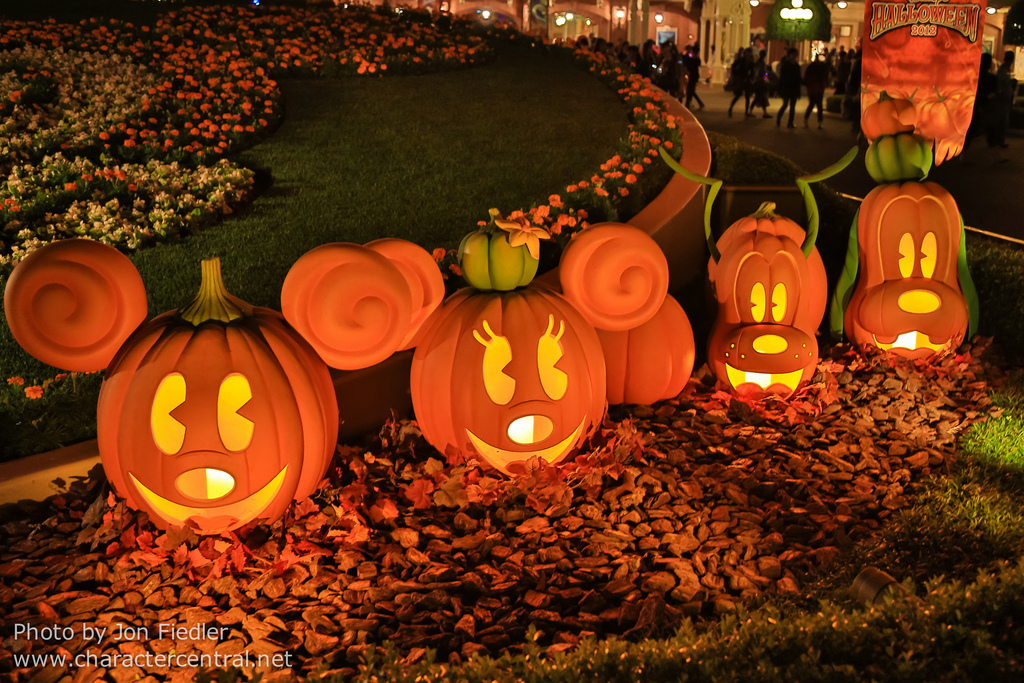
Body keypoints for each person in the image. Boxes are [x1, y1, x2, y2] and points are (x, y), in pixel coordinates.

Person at [993, 50, 1017, 148]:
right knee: (1002, 121)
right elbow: (1001, 85)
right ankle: (998, 141)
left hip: (1004, 99)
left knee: (1003, 121)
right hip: (1002, 99)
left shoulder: (1005, 69)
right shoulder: (1004, 69)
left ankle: (999, 140)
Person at [776, 48, 801, 128]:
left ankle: (790, 123)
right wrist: (779, 89)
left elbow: (798, 79)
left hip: (793, 89)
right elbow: (782, 78)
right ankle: (778, 119)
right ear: (789, 55)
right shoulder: (785, 65)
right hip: (786, 88)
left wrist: (798, 91)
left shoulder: (797, 66)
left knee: (792, 106)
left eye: (795, 55)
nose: (794, 56)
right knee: (785, 104)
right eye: (792, 54)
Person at [803, 52, 828, 128]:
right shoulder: (821, 66)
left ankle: (807, 120)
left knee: (813, 104)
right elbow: (824, 76)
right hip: (817, 87)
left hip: (813, 87)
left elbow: (806, 77)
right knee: (818, 104)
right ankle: (819, 122)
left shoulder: (811, 66)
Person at [728, 48, 754, 118]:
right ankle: (730, 108)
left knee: (747, 97)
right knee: (738, 95)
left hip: (747, 81)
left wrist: (750, 78)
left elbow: (752, 71)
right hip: (741, 80)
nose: (749, 54)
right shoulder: (741, 60)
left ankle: (746, 112)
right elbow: (734, 67)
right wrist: (736, 75)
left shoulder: (750, 62)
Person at [683, 43, 705, 110]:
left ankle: (689, 103)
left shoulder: (694, 59)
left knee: (690, 90)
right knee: (691, 90)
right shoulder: (696, 59)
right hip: (694, 75)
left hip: (693, 76)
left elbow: (687, 63)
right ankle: (689, 103)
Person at [750, 49, 772, 118]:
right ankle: (751, 111)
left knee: (761, 98)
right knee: (760, 97)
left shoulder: (758, 63)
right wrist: (765, 79)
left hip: (758, 82)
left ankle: (764, 112)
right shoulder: (761, 63)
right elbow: (764, 73)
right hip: (760, 83)